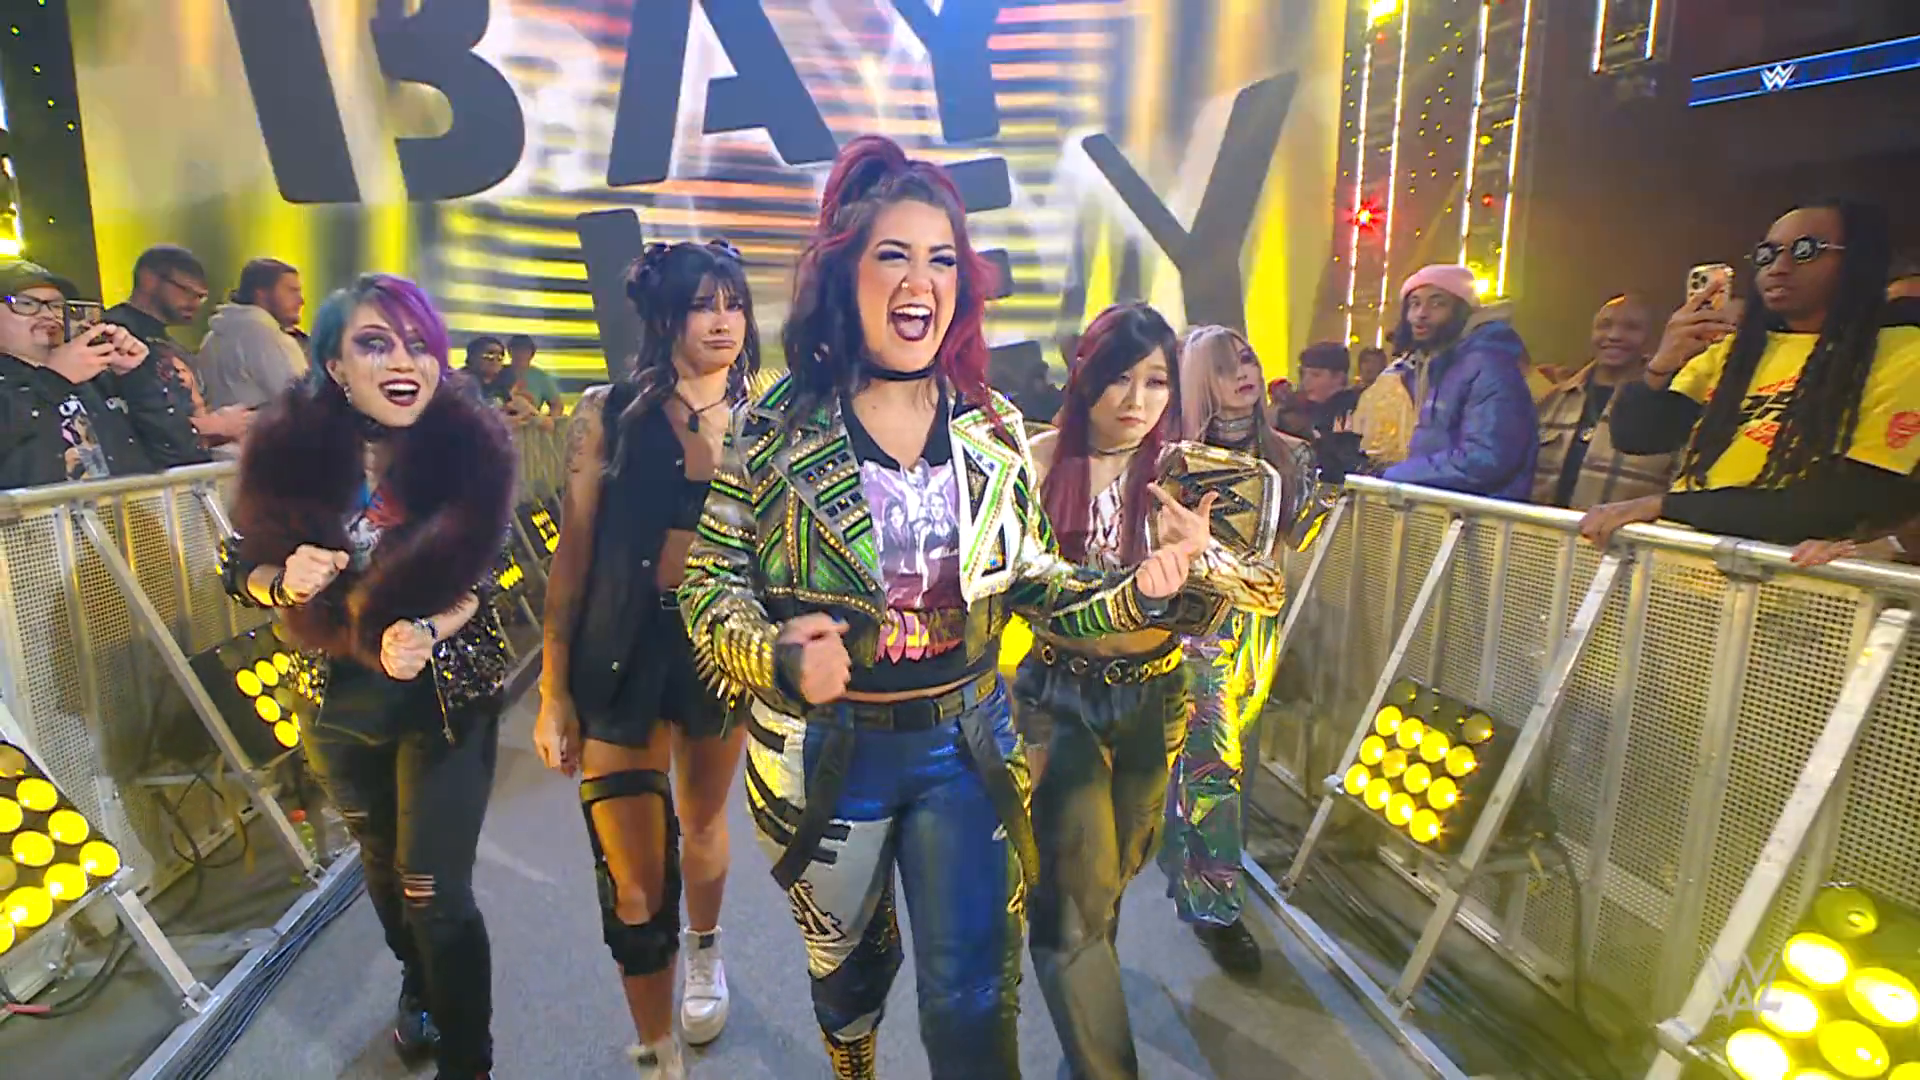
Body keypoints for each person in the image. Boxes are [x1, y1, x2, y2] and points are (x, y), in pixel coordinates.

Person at [677, 136, 1217, 1080]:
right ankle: (853, 1057)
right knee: (849, 975)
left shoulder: (990, 425)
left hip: (966, 746)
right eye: (892, 254)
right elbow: (708, 582)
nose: (919, 280)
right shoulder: (773, 423)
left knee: (973, 997)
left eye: (940, 259)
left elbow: (1037, 583)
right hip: (826, 757)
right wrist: (776, 657)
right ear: (845, 274)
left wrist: (1140, 590)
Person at [221, 274, 514, 1080]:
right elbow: (236, 566)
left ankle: (469, 1062)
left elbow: (494, 572)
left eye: (419, 344)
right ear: (335, 365)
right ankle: (418, 983)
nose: (403, 361)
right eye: (375, 344)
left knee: (434, 889)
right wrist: (282, 582)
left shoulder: (471, 445)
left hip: (448, 693)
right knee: (383, 868)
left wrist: (427, 628)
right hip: (336, 701)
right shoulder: (288, 450)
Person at [1023, 303, 1286, 1079]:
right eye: (1119, 378)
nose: (1136, 401)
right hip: (1058, 696)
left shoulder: (1191, 474)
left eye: (1156, 382)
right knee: (1073, 907)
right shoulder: (1034, 461)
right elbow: (1011, 586)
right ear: (1084, 376)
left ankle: (1086, 1042)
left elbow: (1266, 590)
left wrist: (1204, 558)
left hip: (1156, 698)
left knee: (1110, 887)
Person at [533, 240, 760, 1078]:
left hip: (715, 651)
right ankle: (657, 1051)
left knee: (701, 824)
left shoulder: (769, 417)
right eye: (703, 305)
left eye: (733, 304)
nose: (723, 322)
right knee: (632, 879)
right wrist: (553, 688)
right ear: (664, 317)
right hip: (618, 650)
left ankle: (704, 949)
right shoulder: (608, 412)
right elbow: (573, 555)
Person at [1585, 199, 1920, 548]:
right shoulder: (1739, 350)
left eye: (1805, 250)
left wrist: (1666, 506)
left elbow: (1843, 503)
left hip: (1787, 575)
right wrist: (1662, 363)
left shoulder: (1904, 353)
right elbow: (1637, 437)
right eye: (1767, 254)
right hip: (1688, 565)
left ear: (1858, 261)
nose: (1779, 267)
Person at [1152, 324, 1308, 977]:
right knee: (1215, 768)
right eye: (1223, 366)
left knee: (1226, 765)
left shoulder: (1290, 456)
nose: (1244, 372)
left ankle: (1190, 864)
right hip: (1196, 632)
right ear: (1198, 379)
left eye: (1247, 358)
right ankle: (1215, 908)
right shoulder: (1172, 461)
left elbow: (1293, 543)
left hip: (1258, 632)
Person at [0, 258, 205, 487]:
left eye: (57, 305)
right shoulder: (23, 389)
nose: (48, 314)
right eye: (26, 304)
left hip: (130, 507)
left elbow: (183, 456)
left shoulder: (99, 378)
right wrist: (54, 380)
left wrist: (137, 378)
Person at [1378, 264, 1538, 499]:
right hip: (1441, 508)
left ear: (1462, 310)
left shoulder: (1489, 364)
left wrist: (1393, 475)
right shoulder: (1434, 365)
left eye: (1437, 303)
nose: (1421, 313)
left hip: (1479, 514)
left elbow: (1486, 458)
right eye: (1414, 303)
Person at [1530, 295, 1683, 509]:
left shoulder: (1668, 407)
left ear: (1653, 338)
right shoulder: (1553, 399)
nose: (1614, 335)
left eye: (1631, 327)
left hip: (1619, 532)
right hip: (1543, 529)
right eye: (1605, 325)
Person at [197, 257, 309, 412]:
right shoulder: (269, 338)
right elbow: (304, 406)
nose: (301, 301)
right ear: (261, 293)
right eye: (291, 291)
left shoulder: (211, 339)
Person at [104, 244, 209, 350]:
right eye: (187, 291)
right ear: (148, 280)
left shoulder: (172, 348)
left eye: (201, 297)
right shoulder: (109, 335)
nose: (196, 304)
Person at [1272, 341, 1360, 440]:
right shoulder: (1299, 411)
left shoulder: (1353, 414)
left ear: (1338, 377)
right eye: (1304, 374)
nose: (1306, 381)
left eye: (1316, 375)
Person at [505, 333, 564, 420]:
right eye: (516, 349)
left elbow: (557, 405)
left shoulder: (540, 377)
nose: (520, 354)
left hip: (531, 423)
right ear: (510, 351)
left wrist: (549, 419)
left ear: (532, 353)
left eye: (524, 350)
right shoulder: (499, 372)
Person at [463, 336, 513, 406]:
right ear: (472, 357)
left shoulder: (502, 386)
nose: (495, 360)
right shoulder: (461, 384)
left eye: (500, 356)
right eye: (490, 355)